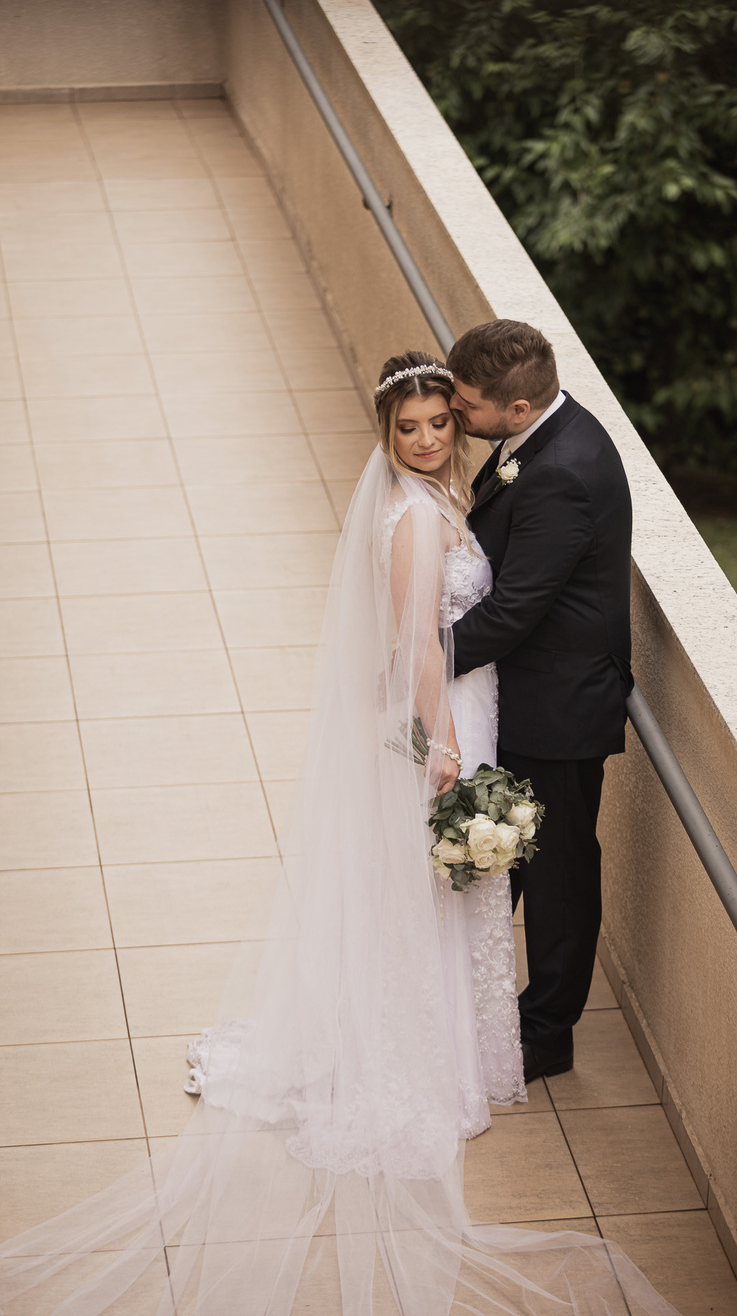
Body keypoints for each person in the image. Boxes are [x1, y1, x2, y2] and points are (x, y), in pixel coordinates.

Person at [0, 353, 677, 1316]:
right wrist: (441, 742)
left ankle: (451, 1040)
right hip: (448, 719)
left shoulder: (448, 494)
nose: (432, 437)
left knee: (452, 884)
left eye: (442, 420)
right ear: (385, 433)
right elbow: (421, 644)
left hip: (475, 707)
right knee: (436, 883)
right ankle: (416, 1053)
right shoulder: (415, 517)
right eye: (411, 427)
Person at [447, 319, 634, 1085]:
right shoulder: (536, 436)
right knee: (500, 859)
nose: (455, 413)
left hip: (559, 709)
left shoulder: (564, 471)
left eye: (465, 405)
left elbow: (515, 608)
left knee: (558, 877)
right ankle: (484, 1010)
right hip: (522, 692)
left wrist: (420, 662)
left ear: (517, 408)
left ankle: (547, 1033)